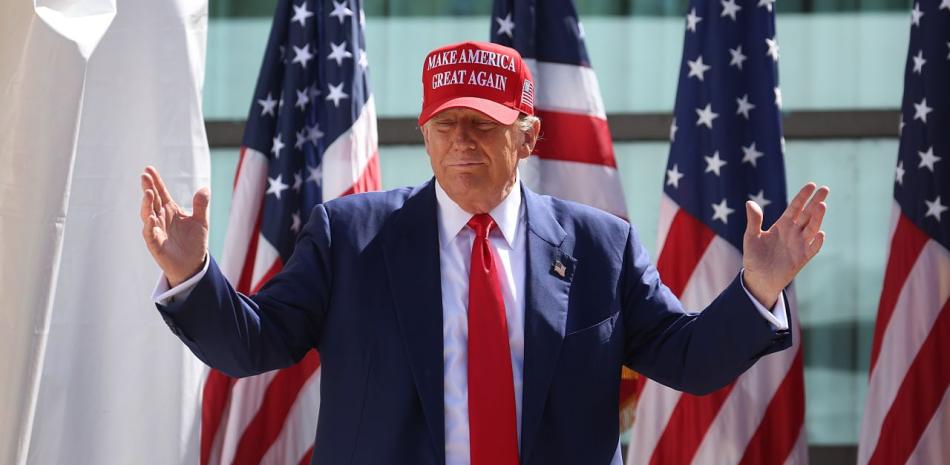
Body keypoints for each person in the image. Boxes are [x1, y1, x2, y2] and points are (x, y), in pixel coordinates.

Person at [140, 41, 828, 465]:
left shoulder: (598, 245)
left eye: (484, 124)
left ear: (527, 136)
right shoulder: (349, 236)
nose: (462, 141)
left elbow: (688, 358)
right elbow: (253, 344)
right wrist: (191, 275)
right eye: (447, 123)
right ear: (424, 131)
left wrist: (756, 290)